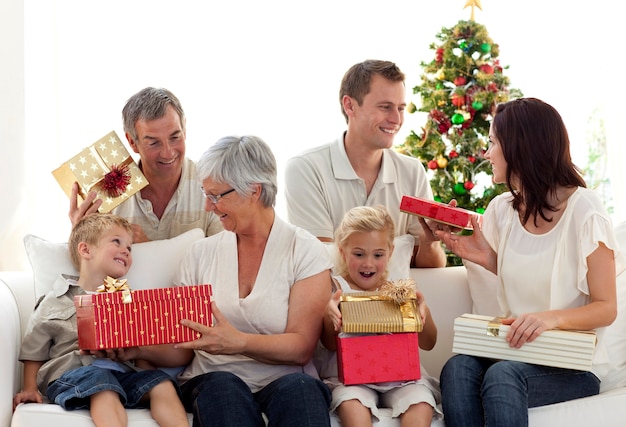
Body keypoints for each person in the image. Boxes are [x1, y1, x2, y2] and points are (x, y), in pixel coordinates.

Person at [435, 97, 625, 427]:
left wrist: (549, 319)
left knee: (502, 376)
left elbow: (606, 306)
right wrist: (484, 256)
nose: (486, 153)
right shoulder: (501, 209)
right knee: (459, 368)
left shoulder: (585, 210)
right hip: (519, 353)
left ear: (519, 148)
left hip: (574, 364)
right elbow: (532, 272)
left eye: (492, 143)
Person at [171, 135, 333, 426]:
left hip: (285, 380)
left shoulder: (306, 250)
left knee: (302, 390)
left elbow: (301, 347)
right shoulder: (200, 253)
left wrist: (239, 342)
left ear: (254, 191)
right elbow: (180, 340)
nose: (209, 207)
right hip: (213, 380)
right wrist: (135, 350)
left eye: (217, 196)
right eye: (205, 194)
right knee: (223, 388)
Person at [13, 213, 189, 427]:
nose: (126, 250)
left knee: (162, 383)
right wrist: (30, 388)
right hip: (73, 374)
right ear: (86, 250)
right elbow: (34, 350)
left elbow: (141, 350)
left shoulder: (130, 300)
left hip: (121, 373)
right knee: (101, 382)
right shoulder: (55, 299)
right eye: (117, 241)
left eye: (130, 248)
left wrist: (146, 372)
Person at [284, 59, 446, 268]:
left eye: (401, 108)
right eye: (385, 107)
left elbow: (429, 266)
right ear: (350, 105)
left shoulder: (412, 172)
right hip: (334, 301)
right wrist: (397, 250)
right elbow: (320, 264)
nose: (396, 119)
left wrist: (429, 241)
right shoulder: (306, 170)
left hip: (397, 300)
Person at [318, 205, 441, 427]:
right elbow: (328, 345)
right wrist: (330, 317)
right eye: (358, 254)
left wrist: (423, 314)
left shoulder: (398, 291)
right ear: (342, 251)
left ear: (390, 252)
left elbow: (429, 343)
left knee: (421, 403)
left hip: (401, 378)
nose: (368, 263)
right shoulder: (336, 289)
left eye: (378, 255)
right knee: (352, 404)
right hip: (351, 379)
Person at [69, 87, 223, 242]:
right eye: (154, 143)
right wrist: (81, 236)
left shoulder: (213, 185)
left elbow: (222, 260)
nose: (168, 153)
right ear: (132, 142)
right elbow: (88, 262)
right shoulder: (106, 196)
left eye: (175, 137)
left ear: (184, 130)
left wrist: (147, 249)